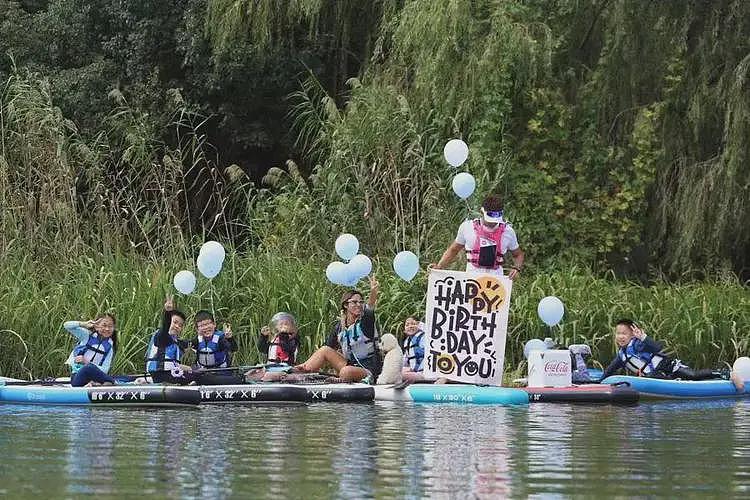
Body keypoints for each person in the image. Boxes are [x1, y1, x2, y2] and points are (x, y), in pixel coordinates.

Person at [295, 276, 382, 382]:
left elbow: (370, 308)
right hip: (349, 365)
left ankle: (340, 379)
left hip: (369, 369)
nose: (358, 305)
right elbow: (327, 348)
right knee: (324, 350)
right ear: (346, 305)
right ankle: (299, 372)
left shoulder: (365, 323)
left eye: (361, 302)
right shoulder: (339, 328)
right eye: (354, 302)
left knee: (346, 372)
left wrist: (373, 293)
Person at [601, 319, 730, 382]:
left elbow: (657, 348)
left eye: (624, 333)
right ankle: (673, 381)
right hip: (655, 376)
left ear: (632, 335)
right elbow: (610, 370)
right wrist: (598, 382)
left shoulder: (638, 344)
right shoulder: (621, 355)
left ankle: (721, 374)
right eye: (618, 333)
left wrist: (643, 337)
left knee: (693, 375)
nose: (620, 336)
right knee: (651, 376)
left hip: (668, 366)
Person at [432, 194, 524, 279]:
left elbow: (518, 254)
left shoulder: (508, 232)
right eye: (490, 219)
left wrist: (517, 268)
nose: (493, 222)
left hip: (496, 282)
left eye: (496, 220)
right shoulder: (467, 227)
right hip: (471, 280)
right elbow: (453, 250)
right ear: (482, 211)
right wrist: (439, 267)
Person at [145, 295, 191, 384]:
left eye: (180, 325)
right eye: (175, 322)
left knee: (195, 372)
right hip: (157, 375)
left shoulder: (176, 341)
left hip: (169, 374)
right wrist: (167, 312)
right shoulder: (161, 336)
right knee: (194, 377)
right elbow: (165, 327)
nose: (177, 326)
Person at [64, 314, 118, 387]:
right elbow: (66, 325)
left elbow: (105, 370)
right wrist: (84, 324)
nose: (107, 329)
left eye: (110, 326)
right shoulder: (86, 336)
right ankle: (112, 382)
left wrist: (86, 362)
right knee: (88, 368)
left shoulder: (109, 348)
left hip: (95, 378)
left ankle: (95, 383)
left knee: (89, 367)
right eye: (104, 325)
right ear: (96, 326)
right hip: (78, 378)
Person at [401, 316, 428, 383]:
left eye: (413, 324)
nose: (410, 326)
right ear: (404, 330)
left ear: (419, 325)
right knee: (396, 372)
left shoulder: (424, 337)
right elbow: (405, 361)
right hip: (414, 372)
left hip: (424, 373)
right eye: (407, 325)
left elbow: (430, 330)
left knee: (398, 375)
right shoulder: (407, 342)